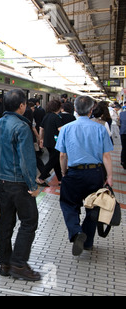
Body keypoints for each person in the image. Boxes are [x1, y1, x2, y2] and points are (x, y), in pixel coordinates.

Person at [0, 89, 41, 281]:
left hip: (0, 181)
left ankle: (5, 263)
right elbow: (26, 161)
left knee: (6, 221)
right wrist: (33, 185)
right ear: (21, 105)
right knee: (29, 220)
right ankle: (18, 263)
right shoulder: (21, 127)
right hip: (18, 182)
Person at [56, 96, 113, 256]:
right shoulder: (100, 129)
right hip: (95, 173)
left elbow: (62, 155)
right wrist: (109, 177)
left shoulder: (66, 128)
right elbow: (106, 156)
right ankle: (87, 243)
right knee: (93, 208)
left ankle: (75, 232)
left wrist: (64, 172)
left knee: (68, 204)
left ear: (75, 110)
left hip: (73, 173)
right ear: (90, 110)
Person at [36, 99, 64, 186]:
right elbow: (60, 129)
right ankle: (41, 178)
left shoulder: (46, 116)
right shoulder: (57, 117)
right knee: (53, 160)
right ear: (58, 108)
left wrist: (41, 140)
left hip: (48, 142)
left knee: (55, 161)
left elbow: (41, 129)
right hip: (55, 143)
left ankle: (60, 179)